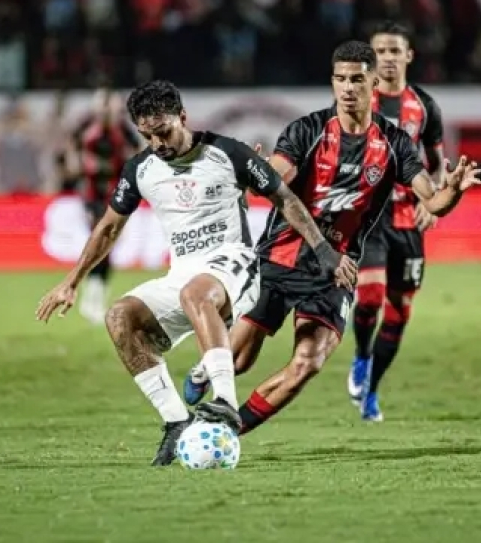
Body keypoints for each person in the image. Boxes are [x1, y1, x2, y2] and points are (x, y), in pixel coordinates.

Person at [36, 80, 356, 465]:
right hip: (184, 273)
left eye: (164, 132)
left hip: (237, 264)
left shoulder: (227, 152)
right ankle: (175, 421)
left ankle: (225, 401)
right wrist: (71, 282)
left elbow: (284, 199)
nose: (157, 143)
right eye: (147, 135)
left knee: (196, 294)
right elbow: (108, 227)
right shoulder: (141, 169)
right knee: (120, 317)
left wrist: (324, 251)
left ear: (182, 117)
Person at [182, 40, 481, 435]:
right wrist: (256, 174)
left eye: (357, 79)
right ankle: (207, 368)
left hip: (333, 272)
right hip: (279, 261)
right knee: (237, 363)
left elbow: (433, 200)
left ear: (374, 83)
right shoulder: (307, 130)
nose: (347, 87)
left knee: (308, 362)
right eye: (340, 78)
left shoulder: (395, 145)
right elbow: (277, 176)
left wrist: (454, 190)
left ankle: (228, 430)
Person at [347, 22, 447, 422]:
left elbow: (438, 165)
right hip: (369, 217)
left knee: (400, 309)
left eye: (394, 51)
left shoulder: (423, 106)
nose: (387, 59)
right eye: (380, 52)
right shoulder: (355, 100)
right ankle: (360, 355)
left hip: (408, 220)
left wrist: (434, 201)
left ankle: (372, 389)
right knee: (369, 295)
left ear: (408, 56)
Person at [65, 86, 143, 324]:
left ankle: (96, 295)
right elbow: (72, 145)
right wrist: (78, 163)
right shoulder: (88, 125)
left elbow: (138, 148)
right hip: (93, 195)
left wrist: (130, 169)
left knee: (108, 246)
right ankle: (91, 296)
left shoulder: (121, 128)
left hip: (115, 194)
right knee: (99, 242)